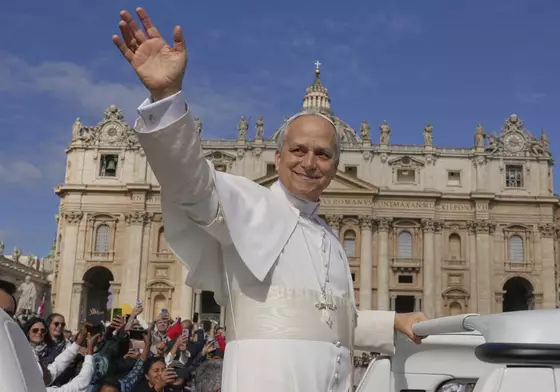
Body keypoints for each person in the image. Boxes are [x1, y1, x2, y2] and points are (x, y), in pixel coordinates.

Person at [112, 7, 428, 392]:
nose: (309, 162)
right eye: (298, 150)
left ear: (335, 167)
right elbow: (190, 182)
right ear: (276, 159)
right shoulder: (247, 203)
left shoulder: (330, 238)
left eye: (323, 154)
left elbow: (332, 320)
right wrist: (165, 96)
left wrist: (395, 322)